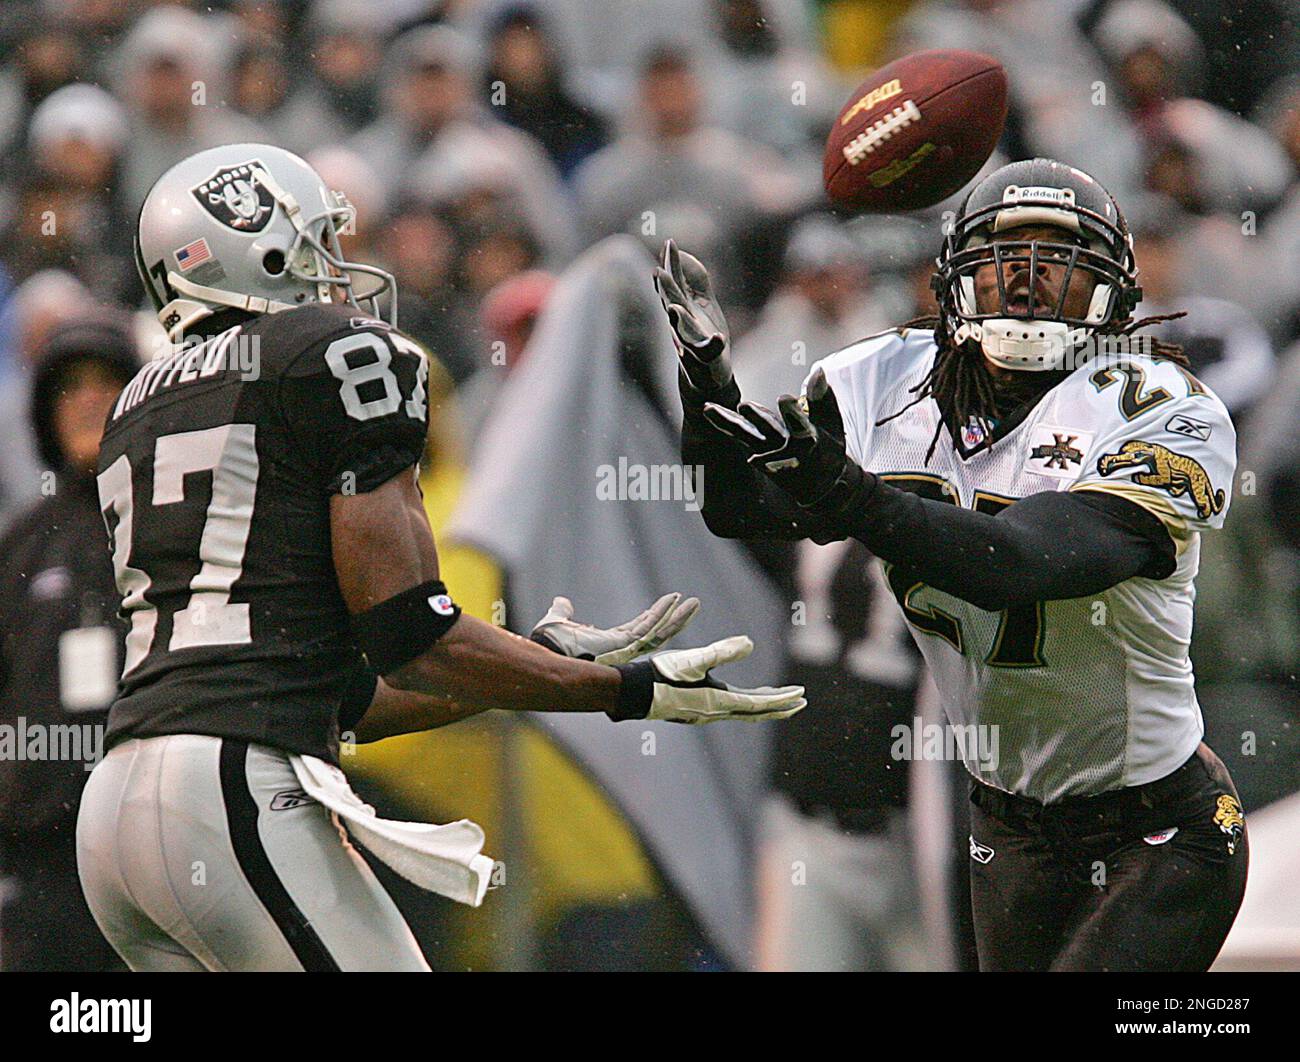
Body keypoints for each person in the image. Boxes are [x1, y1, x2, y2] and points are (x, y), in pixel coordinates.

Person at [75, 143, 804, 973]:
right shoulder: (336, 355)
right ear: (258, 249)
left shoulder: (139, 404)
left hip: (118, 814)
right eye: (314, 245)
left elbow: (348, 696)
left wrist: (539, 658)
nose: (336, 271)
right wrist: (623, 691)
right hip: (231, 792)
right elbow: (412, 637)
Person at [658, 158, 1248, 972]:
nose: (1030, 281)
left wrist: (854, 496)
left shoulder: (1162, 408)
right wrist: (708, 389)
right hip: (1005, 825)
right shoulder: (880, 382)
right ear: (956, 278)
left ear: (1112, 292)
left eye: (1059, 262)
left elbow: (1024, 563)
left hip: (1155, 825)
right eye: (1009, 258)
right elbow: (741, 509)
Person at [0, 316, 138, 971]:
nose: (88, 399)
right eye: (69, 386)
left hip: (158, 844)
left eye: (106, 382)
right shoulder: (20, 545)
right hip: (41, 857)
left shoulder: (183, 528)